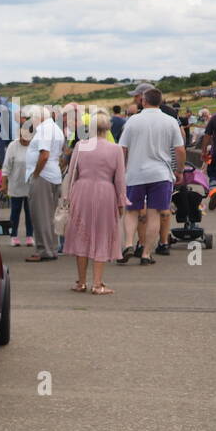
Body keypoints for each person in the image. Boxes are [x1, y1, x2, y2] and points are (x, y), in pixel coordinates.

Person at [117, 87, 185, 264]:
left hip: (135, 173)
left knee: (131, 212)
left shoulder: (132, 121)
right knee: (154, 214)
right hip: (161, 174)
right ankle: (147, 254)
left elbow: (122, 148)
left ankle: (128, 244)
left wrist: (122, 169)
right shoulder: (170, 121)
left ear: (143, 101)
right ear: (160, 102)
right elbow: (179, 149)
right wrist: (179, 170)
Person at [63, 116, 127, 294]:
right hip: (105, 192)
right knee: (102, 234)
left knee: (81, 233)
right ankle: (97, 284)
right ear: (107, 129)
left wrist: (68, 196)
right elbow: (120, 179)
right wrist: (121, 202)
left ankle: (81, 282)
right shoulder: (116, 149)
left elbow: (72, 172)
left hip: (81, 190)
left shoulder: (80, 146)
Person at [24, 106, 65, 262]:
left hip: (43, 176)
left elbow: (44, 154)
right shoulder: (55, 128)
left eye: (31, 118)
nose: (31, 122)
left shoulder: (44, 129)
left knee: (40, 215)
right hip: (53, 175)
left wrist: (35, 173)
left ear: (38, 117)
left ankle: (44, 250)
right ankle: (51, 248)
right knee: (49, 216)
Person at [1, 122, 34, 246]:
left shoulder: (34, 146)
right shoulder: (13, 146)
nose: (24, 139)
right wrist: (4, 184)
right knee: (15, 212)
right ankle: (13, 235)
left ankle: (30, 236)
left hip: (30, 185)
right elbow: (6, 167)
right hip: (16, 185)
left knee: (30, 212)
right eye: (22, 136)